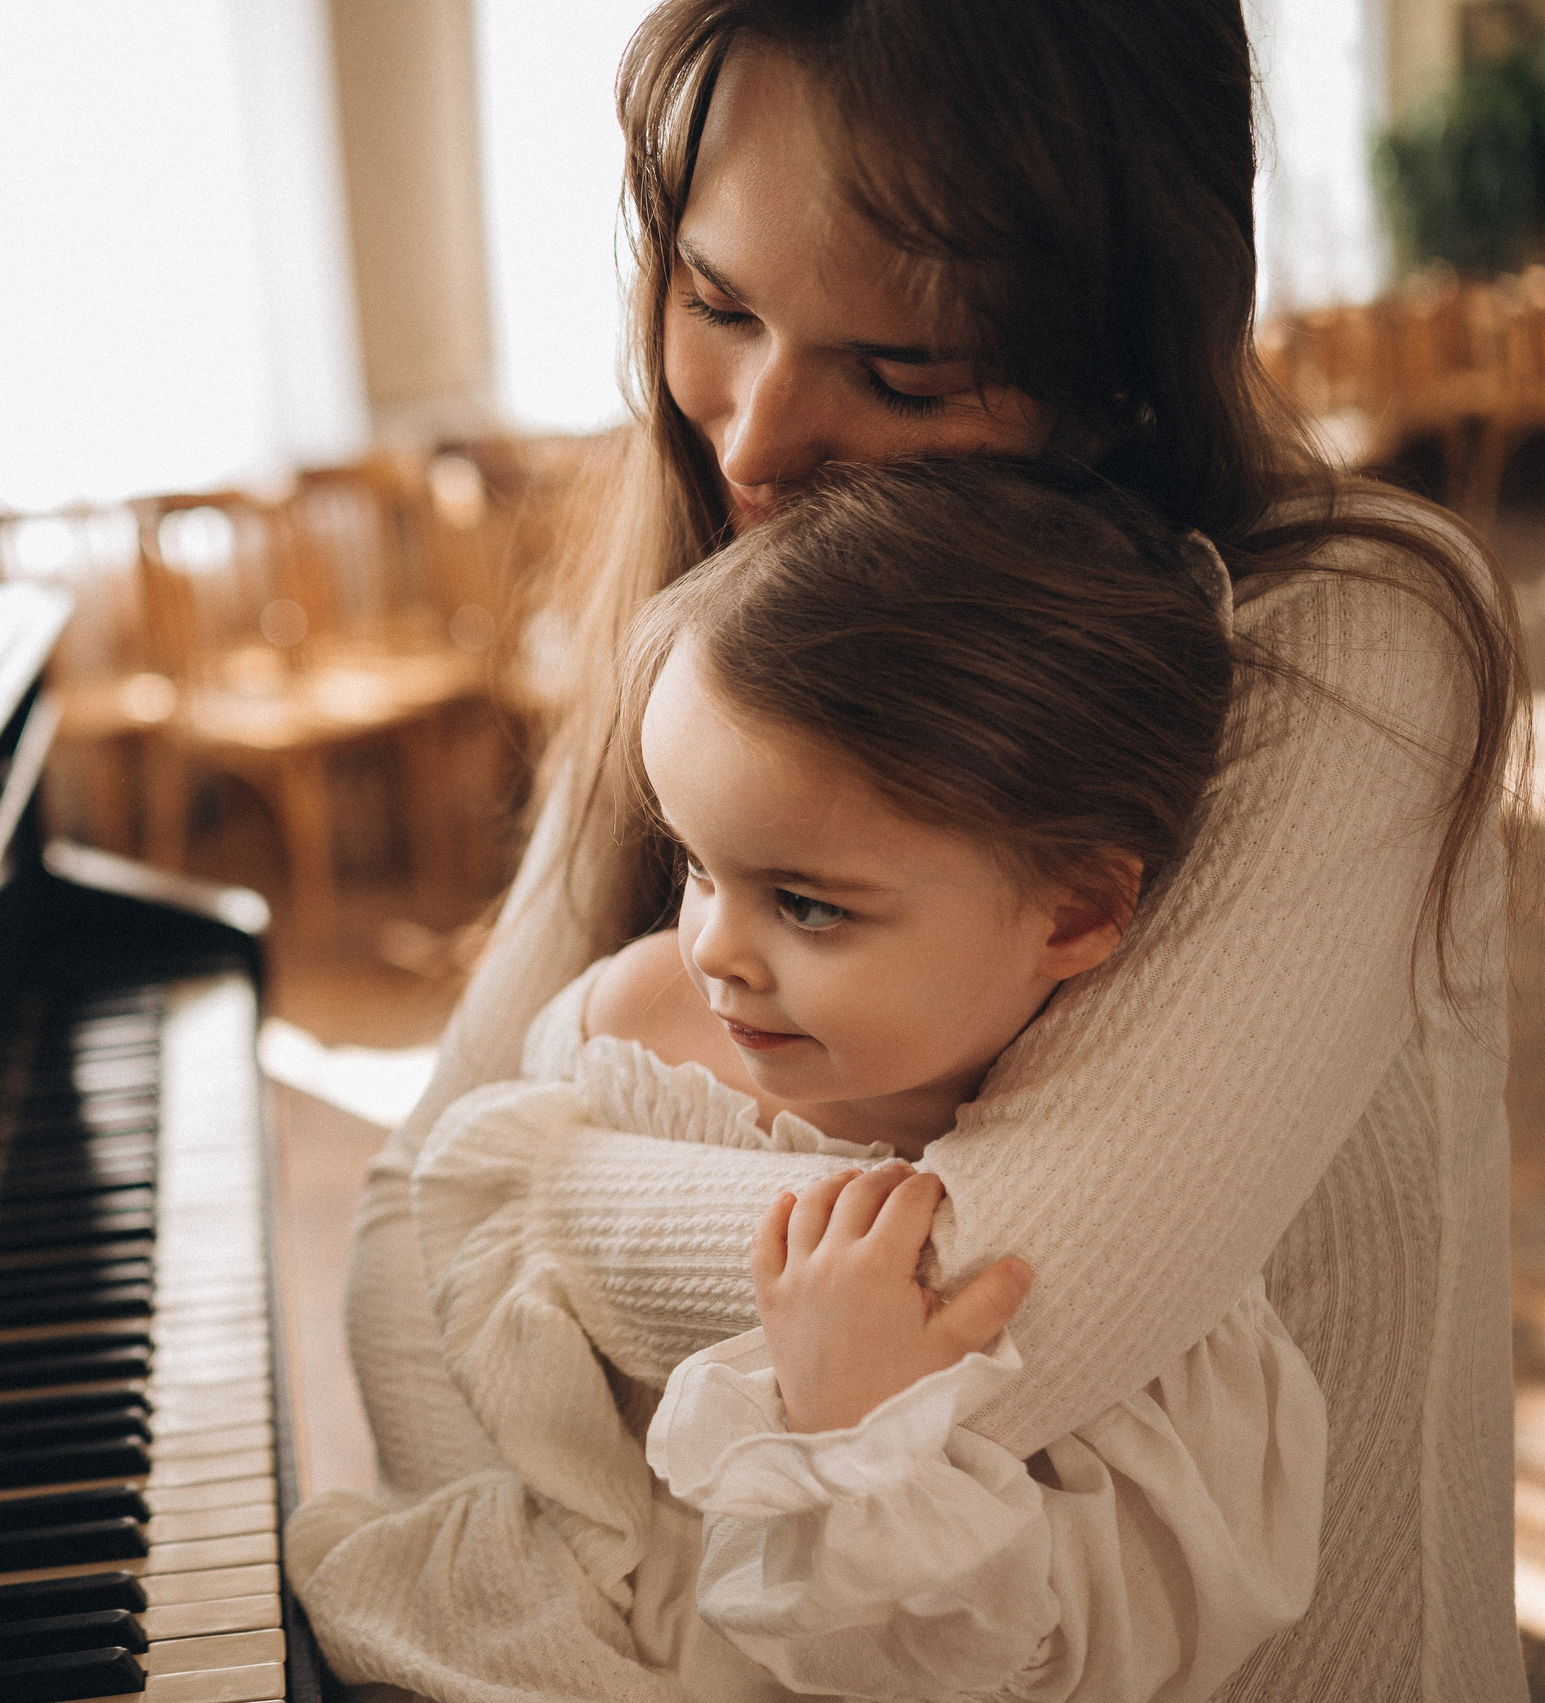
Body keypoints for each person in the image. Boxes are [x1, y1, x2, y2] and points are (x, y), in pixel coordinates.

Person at [335, 3, 1529, 1698]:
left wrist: (519, 1197)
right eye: (716, 304)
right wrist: (568, 1627)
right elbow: (390, 1219)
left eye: (900, 372)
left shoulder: (1347, 631)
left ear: (1119, 356)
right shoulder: (715, 638)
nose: (749, 441)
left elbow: (994, 1306)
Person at [294, 457, 1327, 1702]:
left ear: (1075, 909)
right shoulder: (630, 1027)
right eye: (691, 861)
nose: (714, 948)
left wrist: (856, 1441)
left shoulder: (1120, 1233)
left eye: (806, 904)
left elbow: (1063, 1659)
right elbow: (469, 1333)